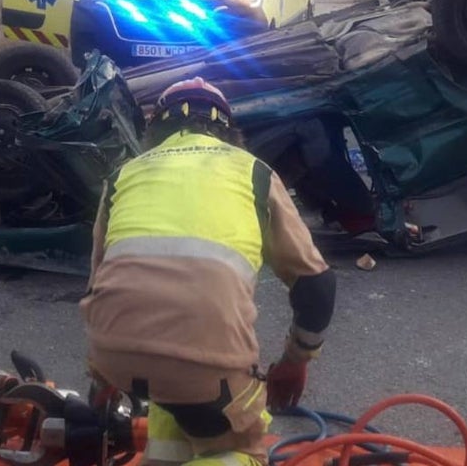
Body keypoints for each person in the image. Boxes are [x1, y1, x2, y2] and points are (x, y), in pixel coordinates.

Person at [81, 77, 336, 466]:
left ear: (155, 130)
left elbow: (99, 286)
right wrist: (295, 361)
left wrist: (102, 383)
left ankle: (163, 458)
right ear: (228, 130)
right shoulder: (253, 171)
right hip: (208, 372)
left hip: (117, 360)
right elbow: (315, 282)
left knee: (174, 395)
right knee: (239, 447)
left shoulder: (123, 176)